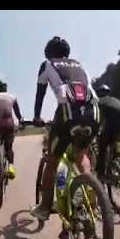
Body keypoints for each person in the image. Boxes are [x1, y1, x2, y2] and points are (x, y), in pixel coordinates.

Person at [30, 36, 100, 221]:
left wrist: (37, 117)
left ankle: (44, 208)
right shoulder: (79, 64)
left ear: (48, 52)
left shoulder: (47, 64)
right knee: (82, 156)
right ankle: (93, 199)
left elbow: (40, 94)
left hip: (69, 114)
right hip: (93, 113)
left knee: (52, 161)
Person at [95, 84, 120, 182]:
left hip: (112, 126)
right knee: (113, 144)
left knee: (102, 147)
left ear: (99, 93)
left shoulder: (99, 101)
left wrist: (95, 130)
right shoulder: (116, 100)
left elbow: (99, 119)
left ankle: (101, 174)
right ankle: (114, 165)